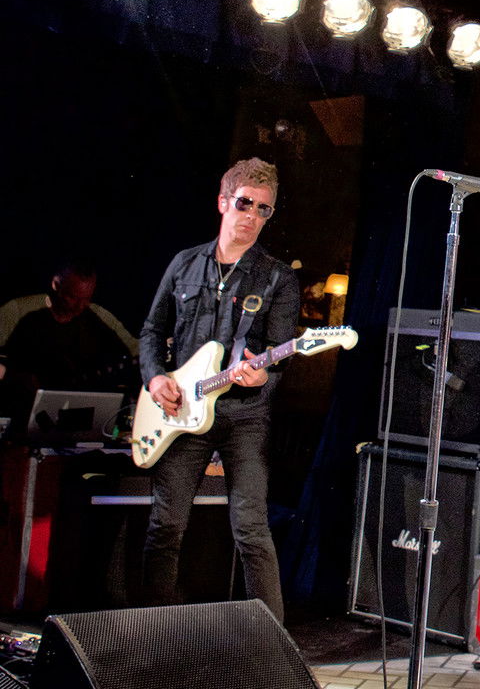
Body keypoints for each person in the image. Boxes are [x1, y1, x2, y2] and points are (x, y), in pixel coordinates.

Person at [138, 157, 300, 621]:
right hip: (182, 410)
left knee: (251, 529)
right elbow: (152, 331)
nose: (252, 216)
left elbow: (278, 355)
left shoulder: (277, 277)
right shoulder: (185, 264)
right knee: (166, 525)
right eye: (245, 203)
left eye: (264, 209)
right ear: (223, 202)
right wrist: (156, 377)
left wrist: (263, 374)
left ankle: (270, 641)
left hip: (244, 417)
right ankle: (151, 630)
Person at [0, 261, 138, 389]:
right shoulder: (22, 314)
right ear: (56, 285)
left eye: (86, 299)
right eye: (72, 298)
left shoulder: (96, 317)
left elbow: (132, 350)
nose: (80, 306)